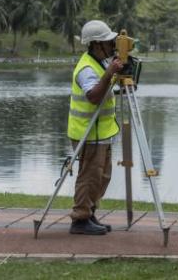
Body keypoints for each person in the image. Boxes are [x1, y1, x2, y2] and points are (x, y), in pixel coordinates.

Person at [67, 20, 124, 235]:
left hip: (101, 133)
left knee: (102, 176)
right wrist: (109, 73)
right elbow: (92, 96)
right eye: (109, 42)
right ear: (97, 44)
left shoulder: (98, 63)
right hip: (87, 134)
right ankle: (80, 219)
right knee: (89, 176)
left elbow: (105, 92)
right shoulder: (87, 68)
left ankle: (89, 213)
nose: (112, 46)